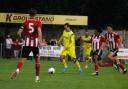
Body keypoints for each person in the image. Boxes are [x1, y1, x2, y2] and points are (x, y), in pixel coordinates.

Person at [10, 8, 42, 82]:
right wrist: (40, 41)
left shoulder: (25, 22)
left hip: (27, 44)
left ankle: (17, 70)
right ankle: (37, 78)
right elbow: (39, 31)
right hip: (35, 45)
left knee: (22, 59)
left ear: (29, 14)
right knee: (37, 61)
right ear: (35, 14)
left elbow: (18, 33)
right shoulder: (38, 22)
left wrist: (21, 38)